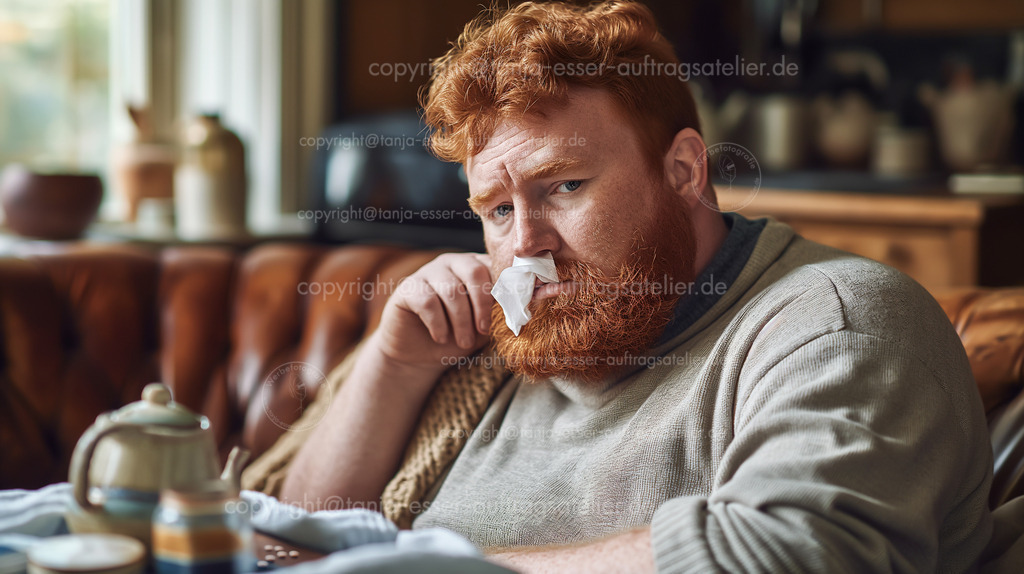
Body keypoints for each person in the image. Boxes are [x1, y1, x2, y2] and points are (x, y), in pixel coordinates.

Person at [281, 2, 993, 572]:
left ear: (684, 171)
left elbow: (790, 553)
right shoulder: (494, 337)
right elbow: (291, 542)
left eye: (565, 185)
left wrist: (435, 567)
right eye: (498, 209)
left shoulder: (836, 323)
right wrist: (393, 367)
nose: (526, 242)